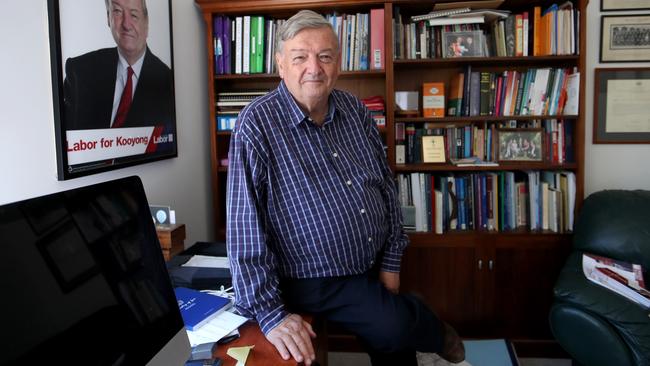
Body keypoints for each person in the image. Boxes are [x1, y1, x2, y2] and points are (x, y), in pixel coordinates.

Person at [226, 10, 465, 366]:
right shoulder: (255, 124)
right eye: (300, 57)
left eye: (325, 56)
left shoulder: (355, 110)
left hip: (370, 260)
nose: (314, 67)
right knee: (395, 325)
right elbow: (244, 230)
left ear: (338, 62)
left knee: (395, 350)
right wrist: (270, 313)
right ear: (280, 64)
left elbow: (385, 186)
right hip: (311, 275)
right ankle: (433, 329)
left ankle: (407, 322)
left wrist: (392, 259)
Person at [63, 0, 174, 131]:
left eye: (134, 15)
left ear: (146, 23)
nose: (126, 24)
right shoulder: (79, 73)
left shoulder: (168, 83)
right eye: (117, 11)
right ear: (108, 18)